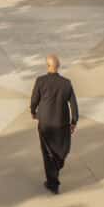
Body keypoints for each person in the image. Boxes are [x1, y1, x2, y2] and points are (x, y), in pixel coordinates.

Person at [30, 55, 79, 194]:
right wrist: (74, 121)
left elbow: (34, 100)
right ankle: (53, 183)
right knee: (62, 149)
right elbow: (74, 105)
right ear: (58, 65)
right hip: (61, 123)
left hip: (45, 123)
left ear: (47, 65)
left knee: (48, 153)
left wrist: (33, 112)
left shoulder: (40, 81)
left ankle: (53, 175)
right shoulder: (66, 83)